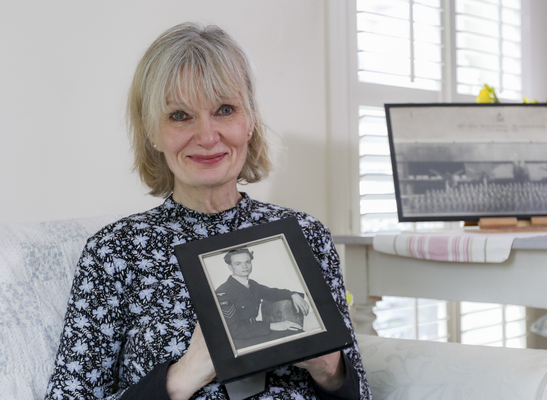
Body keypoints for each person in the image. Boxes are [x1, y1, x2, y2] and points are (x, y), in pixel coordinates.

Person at [44, 22, 370, 400]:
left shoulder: (304, 235)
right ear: (152, 132)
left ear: (249, 122)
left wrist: (330, 368)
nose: (208, 136)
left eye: (225, 110)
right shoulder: (115, 252)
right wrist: (183, 376)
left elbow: (360, 394)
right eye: (180, 115)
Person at [215, 247, 310, 348]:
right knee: (294, 337)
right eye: (238, 264)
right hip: (240, 340)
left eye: (247, 262)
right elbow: (234, 330)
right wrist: (272, 326)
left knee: (298, 332)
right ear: (230, 267)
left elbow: (274, 293)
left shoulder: (252, 285)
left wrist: (293, 294)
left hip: (256, 330)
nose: (245, 266)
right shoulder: (223, 292)